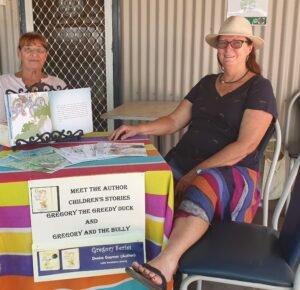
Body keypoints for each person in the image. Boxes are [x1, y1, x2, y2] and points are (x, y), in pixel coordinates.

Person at [110, 16, 277, 290]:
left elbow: (245, 145)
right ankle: (129, 260)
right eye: (223, 43)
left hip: (234, 173)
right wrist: (138, 128)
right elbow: (175, 121)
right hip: (186, 160)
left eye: (237, 42)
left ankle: (167, 263)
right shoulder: (206, 82)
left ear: (249, 48)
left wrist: (197, 171)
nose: (229, 49)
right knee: (148, 183)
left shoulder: (259, 87)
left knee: (203, 184)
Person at [0, 32, 67, 123]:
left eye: (40, 50)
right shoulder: (3, 83)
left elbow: (66, 121)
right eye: (28, 49)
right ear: (19, 53)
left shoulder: (58, 85)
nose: (34, 54)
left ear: (46, 55)